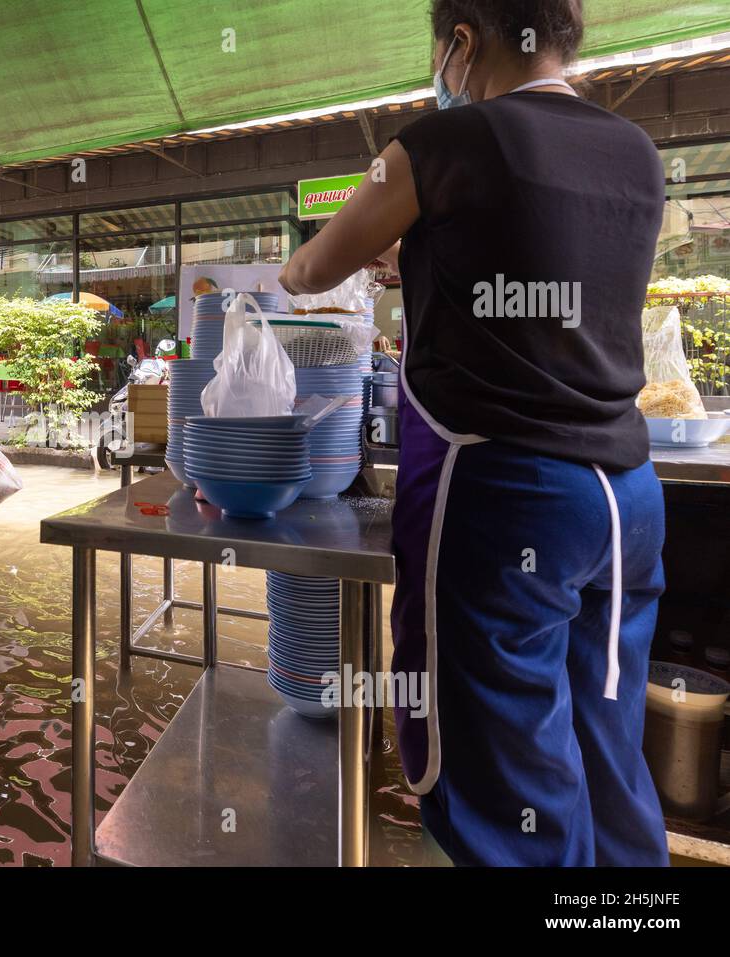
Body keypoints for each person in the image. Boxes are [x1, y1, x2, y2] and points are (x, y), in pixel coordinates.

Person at [279, 0, 668, 866]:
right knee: (609, 762)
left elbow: (310, 268)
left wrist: (341, 247)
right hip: (628, 504)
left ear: (462, 41)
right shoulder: (637, 154)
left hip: (509, 501)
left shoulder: (439, 145)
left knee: (508, 794)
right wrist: (423, 252)